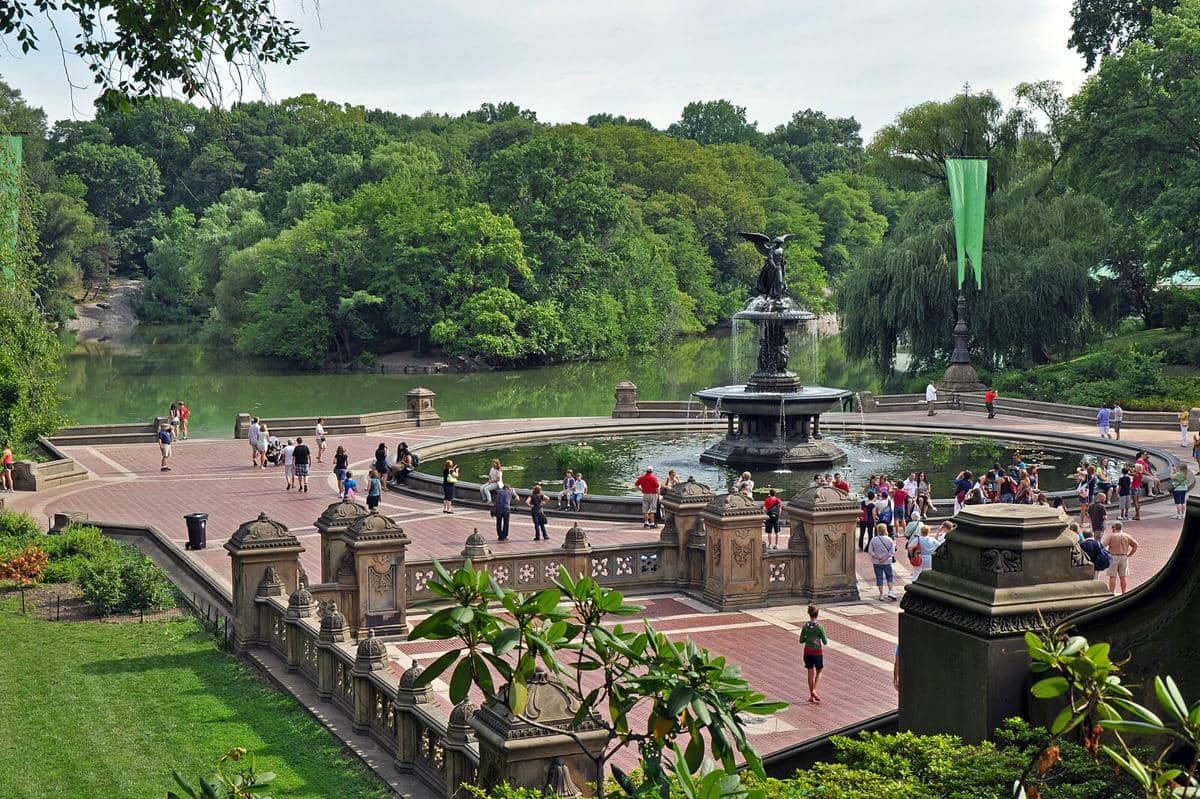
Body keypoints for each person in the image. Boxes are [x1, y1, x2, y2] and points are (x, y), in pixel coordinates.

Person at [800, 605, 828, 704]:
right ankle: (814, 690)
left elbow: (801, 640)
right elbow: (825, 641)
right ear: (817, 614)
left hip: (807, 651)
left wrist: (808, 638)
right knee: (819, 671)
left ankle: (811, 696)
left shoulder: (805, 626)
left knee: (810, 672)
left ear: (809, 614)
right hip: (817, 652)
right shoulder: (820, 627)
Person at [1102, 522, 1138, 594]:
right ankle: (1124, 592)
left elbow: (1102, 546)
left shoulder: (1111, 536)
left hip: (1113, 557)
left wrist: (1106, 553)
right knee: (1123, 576)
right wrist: (1130, 554)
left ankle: (1111, 593)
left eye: (1112, 527)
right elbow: (1136, 545)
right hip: (1124, 557)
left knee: (1112, 576)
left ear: (1114, 528)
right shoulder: (1127, 536)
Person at [867, 523, 897, 602]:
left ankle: (881, 594)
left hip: (876, 562)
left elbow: (870, 551)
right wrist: (885, 558)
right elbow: (892, 552)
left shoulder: (874, 539)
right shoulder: (889, 539)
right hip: (887, 561)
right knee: (889, 576)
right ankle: (890, 591)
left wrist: (877, 557)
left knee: (879, 577)